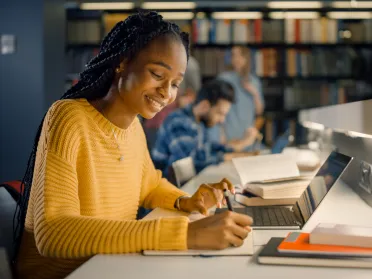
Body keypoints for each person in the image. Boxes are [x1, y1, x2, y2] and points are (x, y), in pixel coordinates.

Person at [12, 12, 253, 279]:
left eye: (175, 84)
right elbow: (53, 233)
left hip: (110, 265)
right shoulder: (68, 118)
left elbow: (149, 185)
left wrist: (186, 200)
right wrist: (184, 234)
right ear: (122, 63)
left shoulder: (134, 127)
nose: (166, 93)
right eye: (157, 74)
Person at [152, 79, 258, 177]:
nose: (222, 120)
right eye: (220, 113)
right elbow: (192, 163)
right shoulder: (179, 122)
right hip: (168, 188)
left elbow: (207, 149)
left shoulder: (198, 123)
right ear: (205, 106)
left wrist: (238, 147)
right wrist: (233, 155)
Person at [208, 46, 265, 151]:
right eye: (233, 55)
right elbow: (215, 108)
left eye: (240, 55)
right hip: (230, 135)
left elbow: (259, 111)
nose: (236, 59)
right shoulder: (224, 79)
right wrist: (220, 132)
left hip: (248, 137)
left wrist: (255, 93)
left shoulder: (254, 82)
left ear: (246, 58)